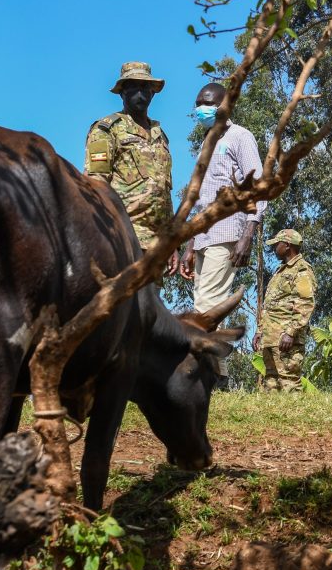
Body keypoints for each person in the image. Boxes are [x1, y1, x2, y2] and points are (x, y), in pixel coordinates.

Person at [179, 83, 267, 379]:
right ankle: (219, 374)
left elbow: (258, 189)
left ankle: (207, 374)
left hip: (228, 231)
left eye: (206, 103)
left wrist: (248, 234)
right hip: (203, 235)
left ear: (223, 106)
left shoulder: (240, 137)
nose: (200, 109)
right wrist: (189, 246)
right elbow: (201, 200)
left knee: (206, 307)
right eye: (197, 103)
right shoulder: (206, 143)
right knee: (205, 304)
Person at [85, 61, 176, 273]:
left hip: (156, 246)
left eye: (145, 87)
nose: (139, 92)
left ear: (153, 93)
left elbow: (165, 192)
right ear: (122, 93)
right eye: (132, 86)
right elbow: (95, 185)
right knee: (120, 304)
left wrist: (172, 243)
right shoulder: (107, 129)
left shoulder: (160, 136)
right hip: (122, 237)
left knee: (149, 306)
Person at [255, 229, 316, 392]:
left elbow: (305, 303)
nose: (275, 248)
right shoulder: (281, 270)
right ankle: (271, 416)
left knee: (289, 382)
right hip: (271, 337)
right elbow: (270, 305)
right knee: (271, 381)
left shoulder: (301, 269)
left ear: (287, 245)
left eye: (277, 244)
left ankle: (297, 417)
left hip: (286, 339)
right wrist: (260, 331)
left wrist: (291, 332)